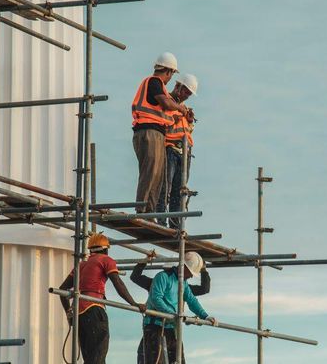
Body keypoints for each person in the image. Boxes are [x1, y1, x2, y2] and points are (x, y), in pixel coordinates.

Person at [59, 233, 146, 364]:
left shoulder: (81, 265)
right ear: (106, 249)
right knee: (99, 354)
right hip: (94, 309)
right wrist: (134, 303)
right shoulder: (106, 260)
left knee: (90, 357)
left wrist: (69, 313)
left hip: (79, 313)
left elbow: (62, 290)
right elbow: (118, 283)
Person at [132, 52, 189, 215]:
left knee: (157, 175)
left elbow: (166, 109)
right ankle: (142, 210)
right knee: (150, 172)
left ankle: (149, 211)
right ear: (169, 71)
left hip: (155, 133)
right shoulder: (154, 82)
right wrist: (179, 107)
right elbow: (166, 103)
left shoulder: (159, 88)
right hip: (148, 132)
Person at [142, 252, 217, 364]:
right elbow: (156, 298)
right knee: (155, 360)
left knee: (178, 361)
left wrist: (205, 316)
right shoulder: (163, 277)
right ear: (184, 267)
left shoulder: (183, 283)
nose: (192, 276)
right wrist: (172, 314)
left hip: (171, 326)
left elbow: (192, 300)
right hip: (155, 326)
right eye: (191, 273)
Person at [156, 73, 198, 228]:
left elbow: (186, 131)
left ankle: (175, 225)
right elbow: (163, 124)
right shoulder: (167, 103)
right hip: (170, 150)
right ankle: (161, 221)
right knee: (164, 188)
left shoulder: (183, 108)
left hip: (184, 153)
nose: (187, 95)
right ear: (178, 86)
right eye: (186, 91)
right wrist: (176, 118)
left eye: (189, 93)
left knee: (178, 192)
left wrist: (189, 121)